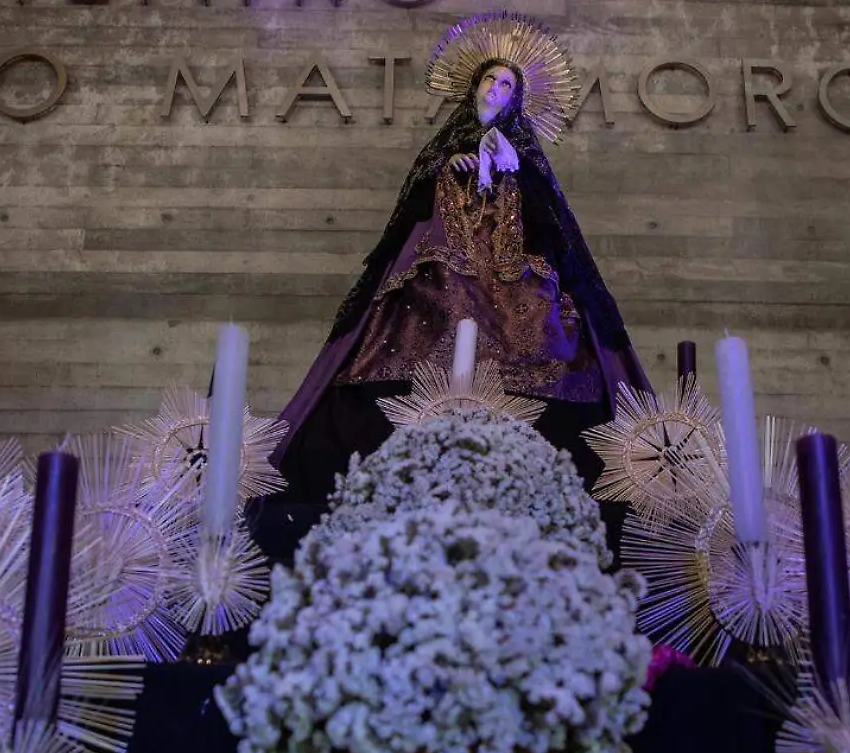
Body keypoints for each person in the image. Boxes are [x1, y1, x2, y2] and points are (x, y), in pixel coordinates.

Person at [271, 12, 653, 510]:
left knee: (547, 326)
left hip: (512, 277)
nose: (495, 88)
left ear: (516, 98)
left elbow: (551, 224)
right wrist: (448, 169)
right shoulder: (441, 152)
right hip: (443, 269)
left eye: (506, 83)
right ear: (473, 87)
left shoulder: (525, 157)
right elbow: (410, 209)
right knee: (414, 312)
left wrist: (510, 174)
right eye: (490, 79)